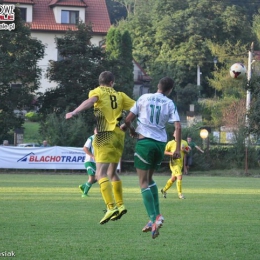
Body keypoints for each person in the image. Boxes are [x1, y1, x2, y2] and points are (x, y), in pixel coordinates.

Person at [66, 71, 135, 225]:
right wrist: (128, 127)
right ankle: (120, 204)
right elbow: (137, 108)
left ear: (101, 82)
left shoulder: (97, 91)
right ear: (112, 82)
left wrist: (75, 111)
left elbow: (91, 101)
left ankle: (111, 207)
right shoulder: (121, 95)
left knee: (100, 174)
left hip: (104, 134)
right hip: (119, 134)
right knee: (112, 172)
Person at [121, 76, 181, 239]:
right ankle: (157, 215)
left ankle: (153, 219)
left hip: (145, 143)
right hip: (160, 145)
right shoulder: (169, 103)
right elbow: (177, 125)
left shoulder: (144, 98)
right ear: (169, 90)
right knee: (150, 179)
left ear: (158, 86)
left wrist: (131, 130)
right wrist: (177, 148)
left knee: (143, 183)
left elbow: (127, 119)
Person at [161, 131, 189, 200]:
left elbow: (187, 151)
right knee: (179, 176)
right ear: (173, 135)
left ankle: (164, 190)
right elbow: (164, 151)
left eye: (179, 133)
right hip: (173, 163)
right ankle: (180, 194)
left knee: (173, 179)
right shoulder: (170, 143)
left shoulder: (184, 142)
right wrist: (172, 153)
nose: (178, 134)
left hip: (180, 164)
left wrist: (184, 150)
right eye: (176, 133)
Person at [79, 127, 97, 197]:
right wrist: (92, 156)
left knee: (99, 177)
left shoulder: (101, 140)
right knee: (92, 178)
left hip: (96, 162)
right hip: (89, 161)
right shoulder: (91, 138)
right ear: (94, 131)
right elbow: (85, 148)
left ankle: (84, 186)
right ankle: (84, 193)